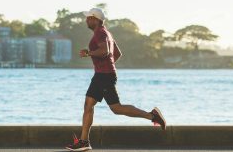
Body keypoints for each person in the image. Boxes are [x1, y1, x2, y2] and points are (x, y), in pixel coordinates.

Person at [66, 8, 166, 151]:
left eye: (89, 17)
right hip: (104, 75)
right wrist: (107, 65)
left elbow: (105, 51)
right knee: (94, 106)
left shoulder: (100, 33)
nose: (86, 20)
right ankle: (84, 141)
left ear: (96, 19)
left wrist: (89, 53)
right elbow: (117, 54)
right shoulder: (106, 33)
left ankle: (152, 116)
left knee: (113, 108)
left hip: (103, 76)